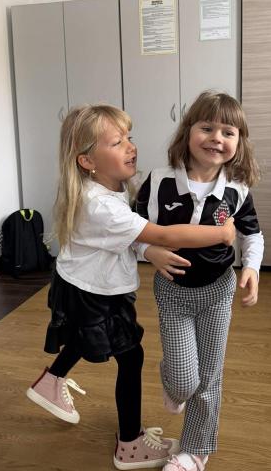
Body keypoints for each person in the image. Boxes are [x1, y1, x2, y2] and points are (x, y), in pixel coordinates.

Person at [26, 104, 236, 470]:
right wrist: (221, 234)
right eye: (117, 142)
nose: (131, 147)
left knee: (86, 337)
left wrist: (147, 250)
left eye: (129, 137)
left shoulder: (109, 189)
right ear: (87, 161)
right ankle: (129, 445)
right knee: (130, 356)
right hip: (92, 292)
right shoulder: (101, 205)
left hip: (86, 286)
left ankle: (52, 379)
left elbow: (129, 238)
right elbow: (164, 234)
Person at [135, 91, 264, 471]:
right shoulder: (158, 182)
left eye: (228, 132)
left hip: (218, 292)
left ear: (239, 142)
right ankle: (174, 382)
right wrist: (148, 252)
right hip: (173, 292)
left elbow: (252, 235)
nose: (216, 138)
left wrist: (252, 268)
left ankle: (195, 450)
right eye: (207, 128)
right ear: (188, 131)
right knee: (183, 382)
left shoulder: (237, 189)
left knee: (209, 378)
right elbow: (132, 229)